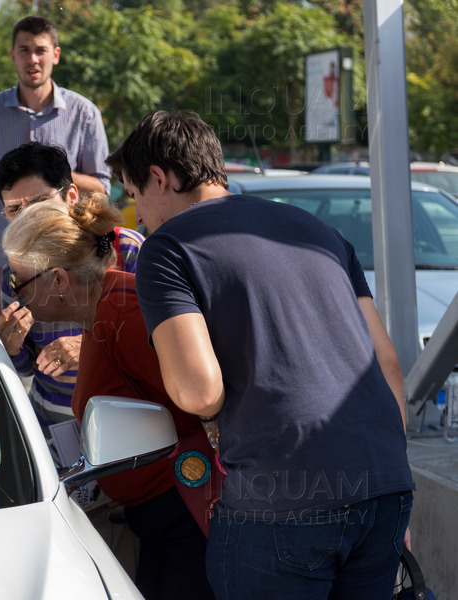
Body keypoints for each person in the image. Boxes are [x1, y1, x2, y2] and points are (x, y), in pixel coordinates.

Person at [107, 109, 415, 599]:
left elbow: (198, 389)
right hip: (384, 484)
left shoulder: (166, 248)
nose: (136, 214)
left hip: (281, 498)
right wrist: (391, 488)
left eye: (133, 193)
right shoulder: (317, 230)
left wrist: (209, 413)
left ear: (159, 178)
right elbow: (389, 365)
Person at [2, 194, 213, 600]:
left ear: (59, 280)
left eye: (19, 283)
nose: (17, 298)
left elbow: (205, 407)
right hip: (161, 519)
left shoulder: (126, 314)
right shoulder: (105, 311)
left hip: (186, 518)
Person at [0, 15, 111, 324]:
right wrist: (7, 171)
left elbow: (102, 191)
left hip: (69, 262)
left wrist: (57, 172)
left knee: (69, 358)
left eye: (40, 49)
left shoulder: (84, 113)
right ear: (12, 55)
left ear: (55, 54)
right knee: (3, 353)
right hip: (2, 260)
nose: (33, 58)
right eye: (24, 49)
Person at [0, 142, 143, 436]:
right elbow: (23, 369)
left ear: (71, 196)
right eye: (13, 209)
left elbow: (159, 343)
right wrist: (7, 347)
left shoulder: (126, 251)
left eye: (38, 203)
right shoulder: (15, 273)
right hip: (51, 428)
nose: (26, 217)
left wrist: (87, 345)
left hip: (127, 426)